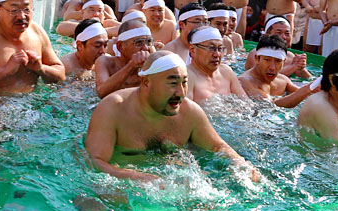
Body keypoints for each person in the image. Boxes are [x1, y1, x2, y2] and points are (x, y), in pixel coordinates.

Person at [85, 50, 259, 182]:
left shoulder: (189, 112)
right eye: (173, 83)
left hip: (173, 182)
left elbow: (217, 147)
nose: (181, 92)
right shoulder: (114, 109)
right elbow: (94, 162)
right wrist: (137, 177)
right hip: (124, 186)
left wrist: (240, 163)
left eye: (184, 83)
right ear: (146, 82)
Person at [239, 35, 317, 107]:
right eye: (267, 60)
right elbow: (271, 106)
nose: (272, 67)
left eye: (278, 61)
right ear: (257, 59)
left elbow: (304, 95)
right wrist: (308, 88)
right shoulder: (244, 82)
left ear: (284, 61)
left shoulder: (283, 80)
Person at [94, 19, 155, 98]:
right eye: (139, 43)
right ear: (120, 47)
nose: (146, 48)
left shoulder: (153, 65)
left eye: (149, 42)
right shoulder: (105, 62)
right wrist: (131, 65)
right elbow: (102, 93)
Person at [185, 26, 245, 103]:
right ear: (193, 50)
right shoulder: (187, 77)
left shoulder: (226, 72)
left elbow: (246, 103)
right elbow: (184, 112)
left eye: (220, 49)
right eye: (211, 48)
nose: (217, 54)